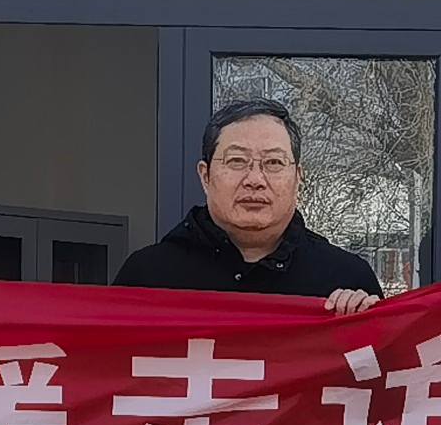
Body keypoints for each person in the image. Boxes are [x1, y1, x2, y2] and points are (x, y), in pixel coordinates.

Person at [111, 101, 383, 313]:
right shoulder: (148, 276)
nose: (255, 180)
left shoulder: (345, 278)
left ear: (298, 178)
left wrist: (363, 320)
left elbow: (380, 364)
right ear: (205, 176)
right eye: (237, 161)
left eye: (273, 163)